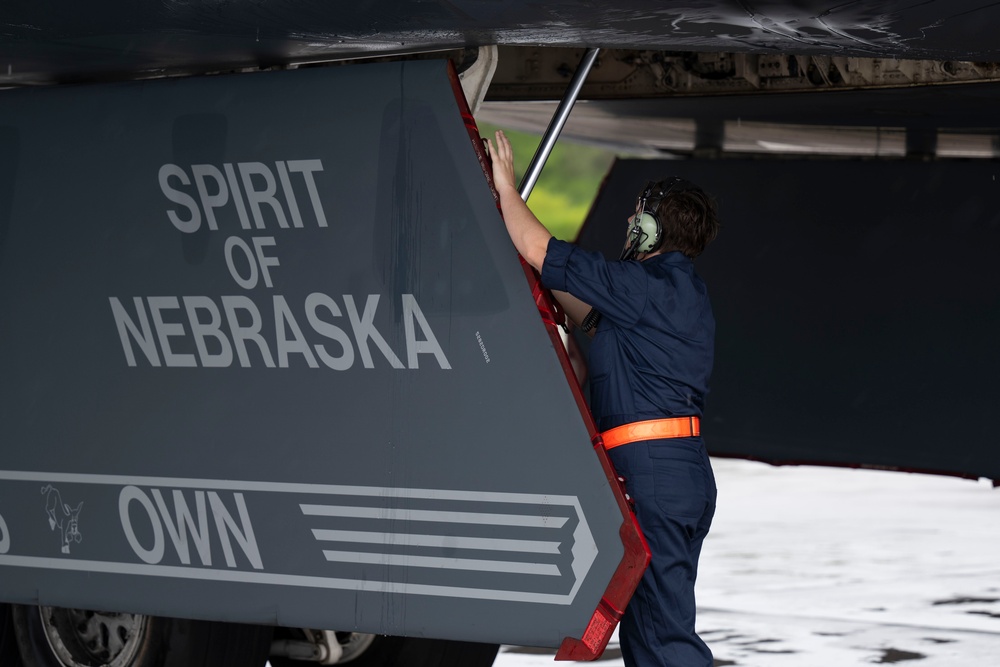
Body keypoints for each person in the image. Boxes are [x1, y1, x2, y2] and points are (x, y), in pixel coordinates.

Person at [486, 130, 720, 667]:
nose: (628, 223)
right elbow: (587, 311)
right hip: (667, 472)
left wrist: (504, 190)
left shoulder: (647, 285)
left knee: (663, 637)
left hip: (655, 475)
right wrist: (542, 283)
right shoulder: (668, 292)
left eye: (638, 213)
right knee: (650, 632)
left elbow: (541, 250)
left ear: (654, 224)